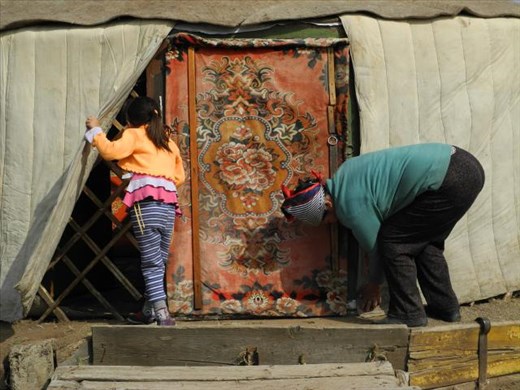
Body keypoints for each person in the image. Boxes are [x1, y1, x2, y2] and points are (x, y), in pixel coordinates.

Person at [281, 143, 484, 327]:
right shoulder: (345, 173)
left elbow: (377, 247)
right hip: (465, 165)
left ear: (327, 204)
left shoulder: (350, 206)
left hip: (450, 179)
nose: (331, 223)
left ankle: (409, 313)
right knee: (424, 243)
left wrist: (373, 284)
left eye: (326, 219)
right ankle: (445, 308)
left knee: (394, 242)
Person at [85, 97, 185, 326]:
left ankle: (162, 313)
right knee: (158, 259)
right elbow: (180, 177)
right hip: (168, 204)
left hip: (146, 203)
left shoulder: (134, 134)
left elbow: (110, 152)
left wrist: (95, 131)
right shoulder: (167, 142)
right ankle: (149, 310)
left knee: (151, 261)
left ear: (130, 119)